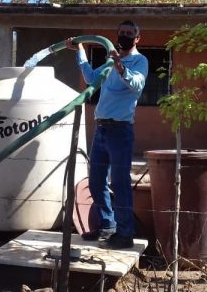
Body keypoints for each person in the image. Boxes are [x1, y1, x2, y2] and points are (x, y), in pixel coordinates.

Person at [65, 20, 148, 250]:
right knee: (96, 181)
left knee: (119, 183)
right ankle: (106, 225)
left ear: (137, 38)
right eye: (121, 32)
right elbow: (92, 78)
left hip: (120, 130)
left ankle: (125, 233)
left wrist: (120, 67)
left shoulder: (139, 61)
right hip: (101, 129)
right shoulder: (111, 61)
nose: (125, 36)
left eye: (130, 33)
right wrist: (80, 51)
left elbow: (137, 85)